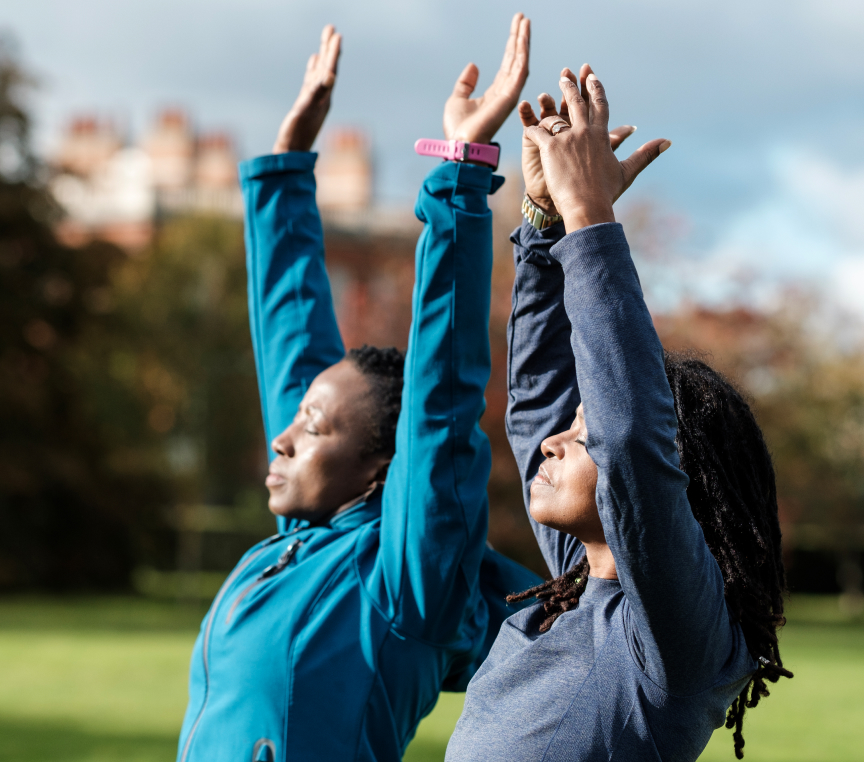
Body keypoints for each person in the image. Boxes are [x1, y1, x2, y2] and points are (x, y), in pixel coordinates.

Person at [176, 15, 542, 762]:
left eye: (311, 428)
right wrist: (286, 166)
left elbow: (440, 402)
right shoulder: (299, 547)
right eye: (299, 421)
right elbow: (296, 349)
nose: (283, 435)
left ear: (380, 470)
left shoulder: (403, 586)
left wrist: (463, 174)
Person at [445, 65, 792, 761]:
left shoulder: (676, 639)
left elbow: (630, 439)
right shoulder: (579, 585)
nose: (551, 446)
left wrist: (590, 219)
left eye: (582, 434)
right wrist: (544, 226)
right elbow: (541, 394)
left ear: (675, 479)